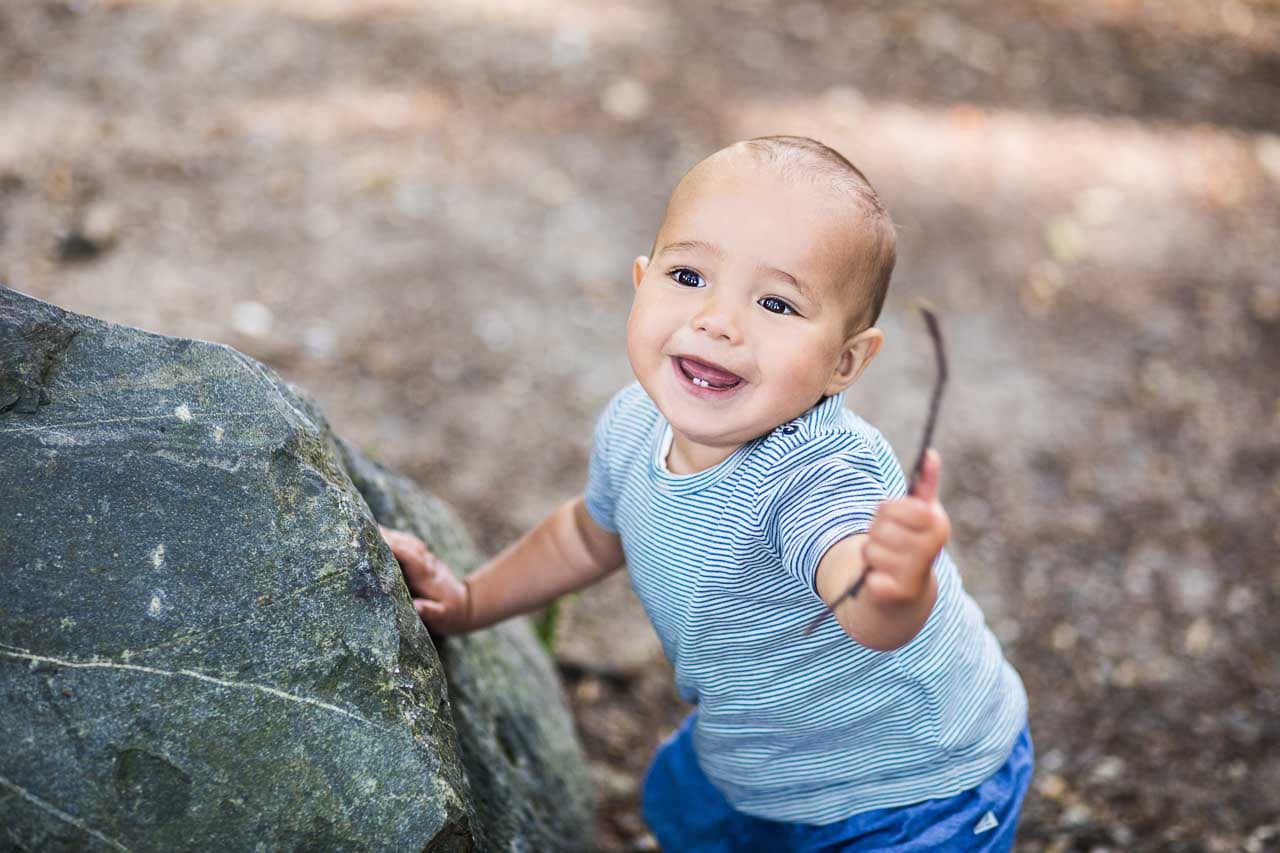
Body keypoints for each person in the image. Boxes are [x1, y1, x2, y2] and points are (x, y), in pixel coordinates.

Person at [380, 136, 1031, 851]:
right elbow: (588, 536)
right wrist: (472, 599)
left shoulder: (815, 476)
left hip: (911, 783)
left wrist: (894, 579)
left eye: (777, 303)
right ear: (641, 280)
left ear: (845, 360)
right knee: (691, 816)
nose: (718, 320)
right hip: (762, 745)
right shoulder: (634, 421)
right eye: (688, 276)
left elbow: (868, 609)